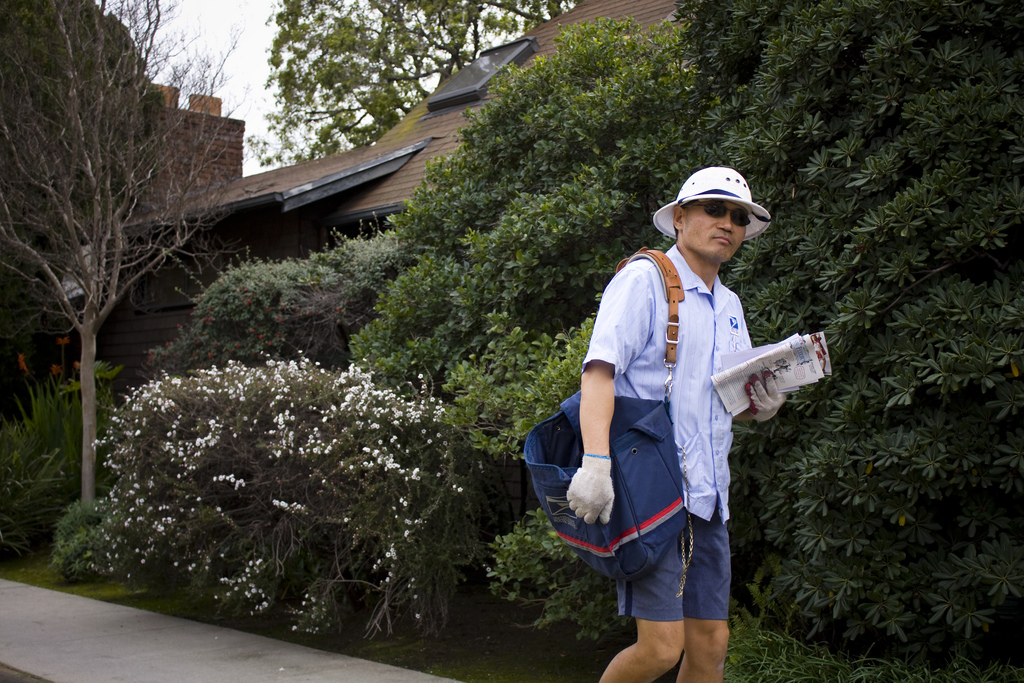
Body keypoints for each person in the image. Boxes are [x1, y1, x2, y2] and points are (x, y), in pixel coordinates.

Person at [566, 167, 786, 683]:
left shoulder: (730, 305)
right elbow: (599, 372)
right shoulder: (643, 279)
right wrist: (595, 463)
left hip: (709, 497)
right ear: (680, 218)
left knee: (710, 647)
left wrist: (762, 403)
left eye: (737, 216)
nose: (727, 223)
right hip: (654, 494)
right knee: (662, 648)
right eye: (714, 210)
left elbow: (727, 401)